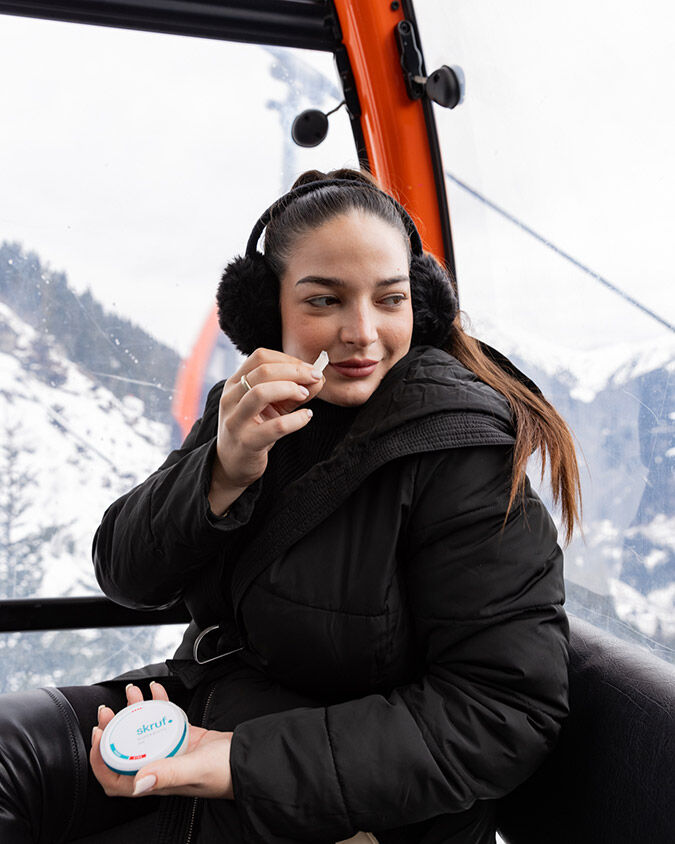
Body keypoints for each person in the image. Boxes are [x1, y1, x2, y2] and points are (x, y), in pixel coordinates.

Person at [0, 168, 582, 844]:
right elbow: (126, 575)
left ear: (417, 306)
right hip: (212, 706)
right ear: (265, 310)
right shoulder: (248, 404)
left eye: (388, 299)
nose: (361, 332)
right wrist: (222, 469)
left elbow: (502, 712)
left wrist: (233, 761)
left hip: (361, 804)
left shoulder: (459, 451)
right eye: (324, 301)